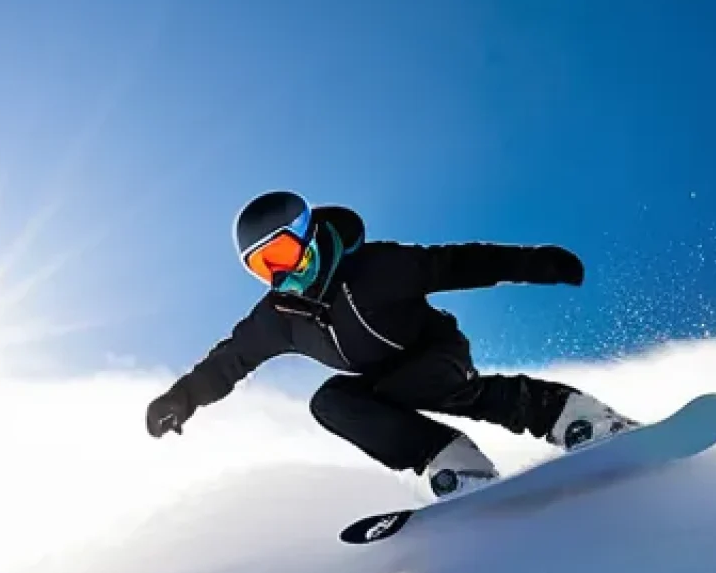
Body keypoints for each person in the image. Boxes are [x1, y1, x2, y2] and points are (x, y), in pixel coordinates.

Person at [144, 191, 639, 499]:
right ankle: (452, 462)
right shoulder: (279, 318)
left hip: (434, 348)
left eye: (280, 253)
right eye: (262, 267)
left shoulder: (374, 268)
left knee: (436, 388)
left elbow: (458, 264)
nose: (279, 273)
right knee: (332, 402)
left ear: (308, 235)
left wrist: (536, 264)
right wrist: (180, 400)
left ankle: (574, 417)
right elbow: (228, 361)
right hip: (379, 379)